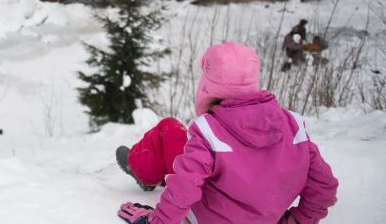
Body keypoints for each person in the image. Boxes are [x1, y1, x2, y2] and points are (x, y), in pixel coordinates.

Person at [115, 41, 338, 224]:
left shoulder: (208, 132)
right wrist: (299, 220)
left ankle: (140, 170)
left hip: (205, 218)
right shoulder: (293, 125)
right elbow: (324, 185)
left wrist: (154, 221)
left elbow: (184, 188)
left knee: (170, 129)